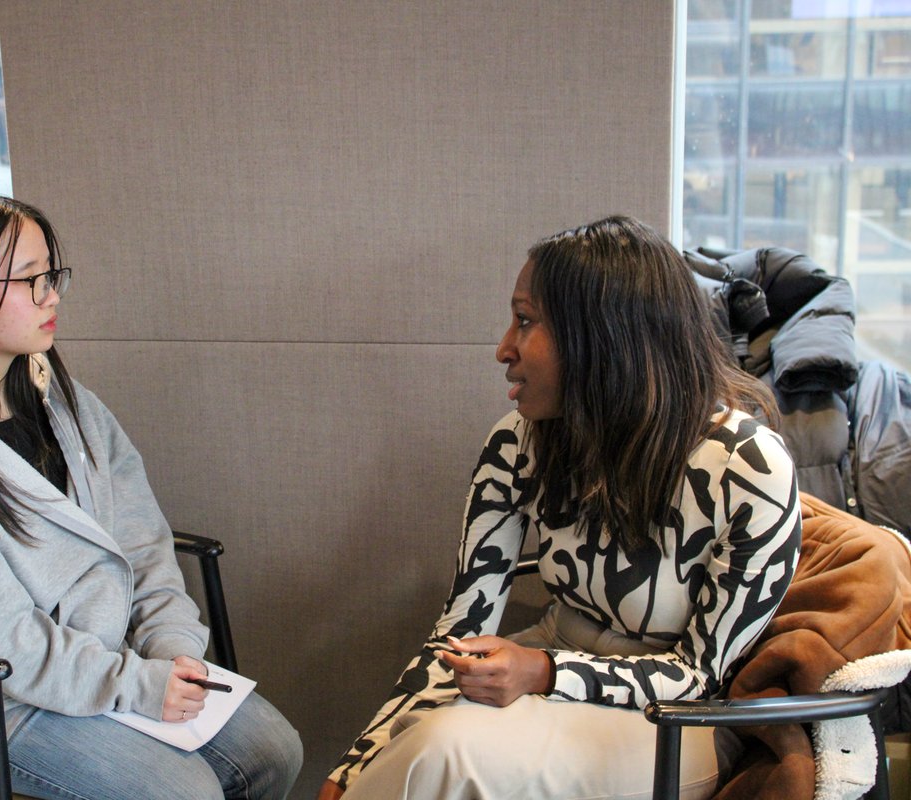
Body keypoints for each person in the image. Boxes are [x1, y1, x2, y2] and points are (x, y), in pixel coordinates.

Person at [318, 216, 801, 800]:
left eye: (525, 321)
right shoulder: (520, 441)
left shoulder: (749, 466)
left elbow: (700, 676)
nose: (503, 348)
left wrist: (544, 673)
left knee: (446, 751)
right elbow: (462, 626)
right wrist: (350, 768)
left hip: (673, 724)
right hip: (550, 655)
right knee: (420, 732)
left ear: (602, 336)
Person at [0, 193, 302, 800]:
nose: (52, 295)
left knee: (275, 752)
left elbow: (142, 543)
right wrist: (136, 684)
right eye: (29, 280)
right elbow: (0, 639)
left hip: (108, 665)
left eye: (52, 276)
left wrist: (171, 651)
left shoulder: (58, 396)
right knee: (185, 793)